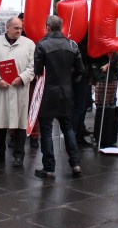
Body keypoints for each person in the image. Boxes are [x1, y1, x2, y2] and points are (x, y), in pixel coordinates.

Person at [33, 16, 85, 178]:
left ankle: (49, 168)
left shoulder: (41, 45)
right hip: (66, 93)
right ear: (61, 27)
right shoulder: (72, 45)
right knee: (68, 129)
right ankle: (75, 163)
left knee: (47, 132)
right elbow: (80, 70)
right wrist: (71, 80)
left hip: (48, 94)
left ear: (48, 27)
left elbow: (37, 70)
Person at [0, 17, 35, 167]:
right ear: (7, 27)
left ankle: (19, 155)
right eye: (16, 28)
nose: (19, 31)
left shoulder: (29, 44)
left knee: (20, 123)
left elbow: (32, 66)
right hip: (2, 88)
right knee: (0, 121)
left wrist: (22, 78)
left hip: (19, 89)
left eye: (20, 28)